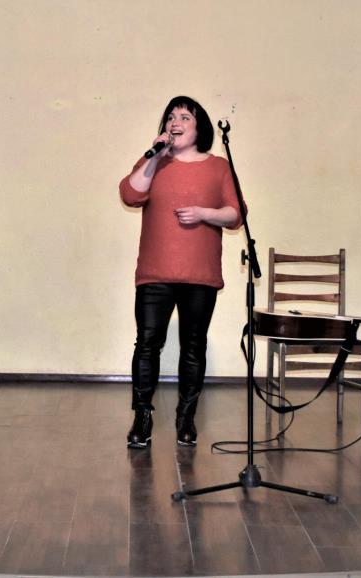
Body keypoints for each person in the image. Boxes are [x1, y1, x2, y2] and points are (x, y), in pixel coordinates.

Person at [119, 95, 243, 449]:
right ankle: (142, 417)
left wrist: (205, 213)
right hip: (155, 272)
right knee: (147, 344)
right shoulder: (155, 162)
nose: (175, 122)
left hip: (199, 273)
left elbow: (236, 213)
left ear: (199, 127)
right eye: (171, 117)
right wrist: (154, 156)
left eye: (185, 117)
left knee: (193, 345)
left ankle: (186, 418)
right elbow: (130, 194)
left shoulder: (218, 166)